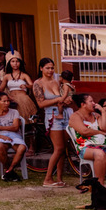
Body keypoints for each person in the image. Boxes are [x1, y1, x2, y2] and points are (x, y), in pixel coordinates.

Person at [32, 58, 69, 187]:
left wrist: (66, 99)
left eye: (52, 68)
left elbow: (65, 95)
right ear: (41, 68)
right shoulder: (38, 83)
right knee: (58, 148)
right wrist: (58, 99)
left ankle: (59, 178)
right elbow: (41, 104)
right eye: (47, 68)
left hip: (64, 113)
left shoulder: (57, 81)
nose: (50, 70)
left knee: (63, 148)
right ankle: (48, 178)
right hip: (51, 115)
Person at [0, 93, 25, 181]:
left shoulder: (14, 112)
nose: (7, 103)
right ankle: (10, 171)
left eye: (8, 101)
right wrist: (2, 137)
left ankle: (9, 171)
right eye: (4, 101)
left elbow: (15, 127)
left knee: (22, 148)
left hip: (15, 136)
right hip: (0, 136)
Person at [1, 52, 36, 121]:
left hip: (24, 100)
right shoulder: (7, 76)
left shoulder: (24, 75)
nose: (15, 63)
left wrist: (26, 86)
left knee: (26, 120)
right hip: (12, 100)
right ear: (9, 63)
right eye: (13, 61)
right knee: (13, 120)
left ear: (20, 63)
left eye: (17, 61)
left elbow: (32, 85)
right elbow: (0, 89)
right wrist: (7, 96)